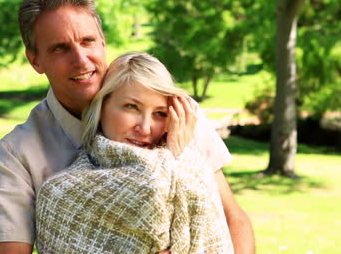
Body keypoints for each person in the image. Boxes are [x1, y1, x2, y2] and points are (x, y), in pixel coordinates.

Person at [0, 0, 255, 253]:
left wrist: (181, 155)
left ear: (103, 42)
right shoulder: (18, 152)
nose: (81, 60)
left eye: (87, 41)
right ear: (35, 60)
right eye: (60, 48)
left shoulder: (176, 113)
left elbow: (233, 219)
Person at [35, 52, 235, 253]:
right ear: (102, 105)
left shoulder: (193, 169)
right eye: (132, 107)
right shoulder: (60, 195)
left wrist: (178, 158)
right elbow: (153, 189)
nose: (145, 128)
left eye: (159, 114)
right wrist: (174, 160)